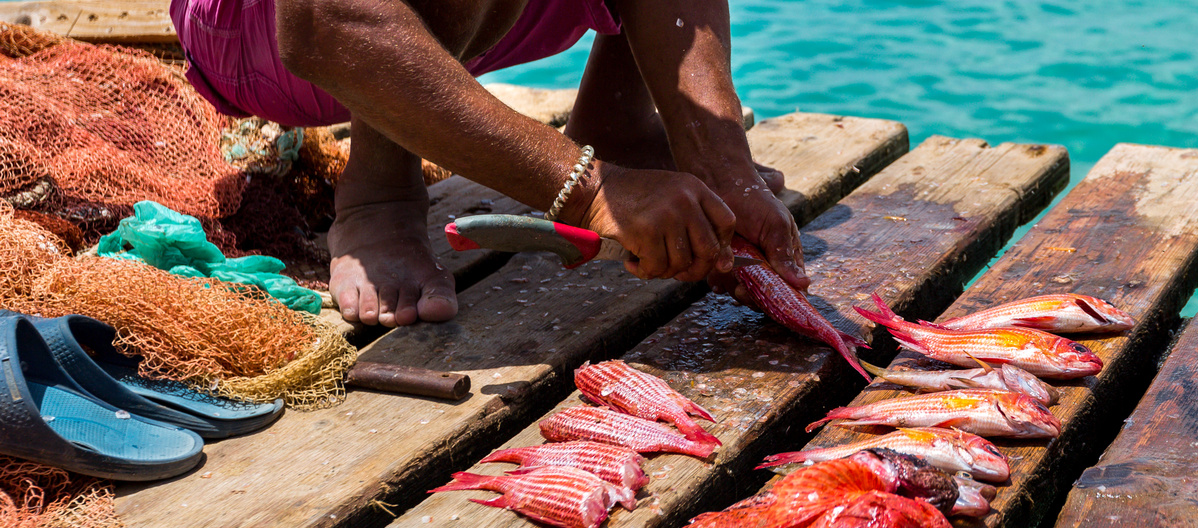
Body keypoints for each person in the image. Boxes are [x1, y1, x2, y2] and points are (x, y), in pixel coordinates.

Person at [168, 0, 807, 327]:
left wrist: (725, 166)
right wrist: (591, 190)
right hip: (280, 36)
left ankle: (618, 123)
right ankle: (379, 192)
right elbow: (320, 24)